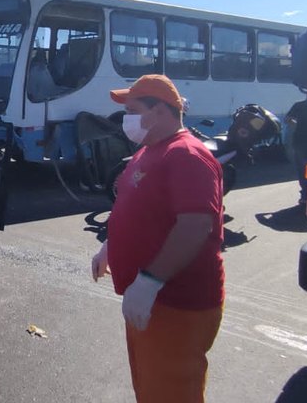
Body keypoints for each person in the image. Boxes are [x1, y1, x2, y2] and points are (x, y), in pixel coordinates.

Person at [91, 74, 224, 402]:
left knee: (171, 392)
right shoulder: (149, 150)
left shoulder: (187, 155)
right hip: (150, 302)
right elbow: (140, 208)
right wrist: (111, 245)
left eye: (133, 109)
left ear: (161, 111)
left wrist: (150, 281)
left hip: (175, 303)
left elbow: (195, 225)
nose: (126, 119)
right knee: (151, 389)